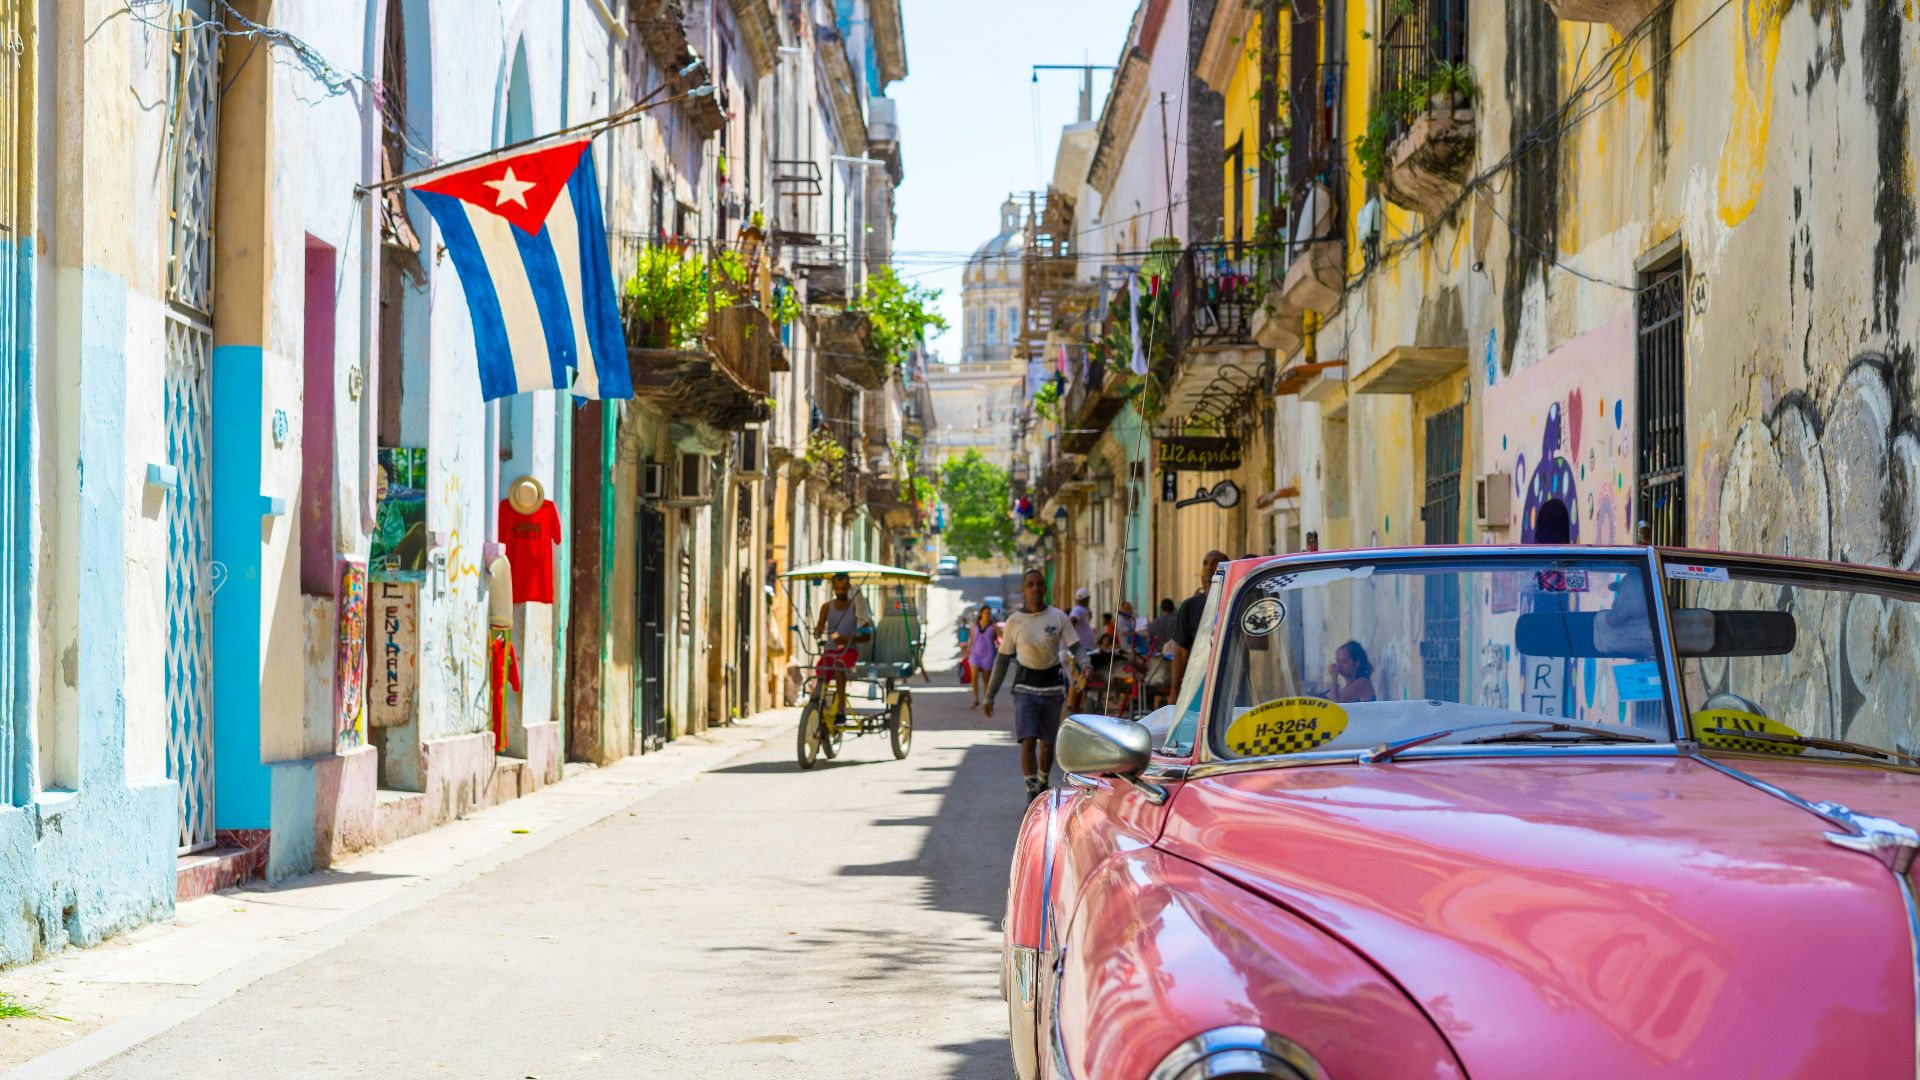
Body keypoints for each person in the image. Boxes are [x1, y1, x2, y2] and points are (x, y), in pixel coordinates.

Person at [985, 569, 1087, 802]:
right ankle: (1031, 790)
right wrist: (990, 695)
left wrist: (1085, 664)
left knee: (1048, 745)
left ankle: (1042, 781)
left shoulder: (1058, 617)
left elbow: (1076, 646)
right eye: (1030, 584)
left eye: (1039, 584)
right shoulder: (1015, 621)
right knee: (1028, 739)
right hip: (1025, 689)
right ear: (1023, 590)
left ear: (1045, 588)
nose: (1035, 589)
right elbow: (1002, 659)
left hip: (1052, 688)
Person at [812, 572, 872, 727]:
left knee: (839, 666)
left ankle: (841, 710)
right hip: (831, 650)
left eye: (843, 588)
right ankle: (817, 705)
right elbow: (819, 626)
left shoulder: (856, 607)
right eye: (837, 588)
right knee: (821, 670)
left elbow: (867, 636)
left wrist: (847, 640)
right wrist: (817, 631)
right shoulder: (826, 607)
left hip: (849, 651)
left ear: (848, 588)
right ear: (833, 588)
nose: (840, 592)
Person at [1171, 551, 1229, 691]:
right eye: (1205, 563)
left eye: (1215, 563)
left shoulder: (1233, 602)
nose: (1209, 567)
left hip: (1230, 683)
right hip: (1199, 684)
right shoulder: (1189, 607)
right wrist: (1173, 692)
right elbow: (1181, 652)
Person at [967, 604, 1001, 708]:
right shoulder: (975, 625)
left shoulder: (993, 626)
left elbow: (1002, 636)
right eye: (986, 613)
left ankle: (986, 700)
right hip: (975, 654)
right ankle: (976, 699)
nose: (988, 615)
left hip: (988, 654)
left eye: (989, 613)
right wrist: (967, 653)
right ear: (981, 614)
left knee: (986, 679)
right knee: (974, 676)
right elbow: (971, 639)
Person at [1069, 587, 1097, 652]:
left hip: (1086, 646)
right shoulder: (1077, 610)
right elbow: (1072, 622)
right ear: (1088, 598)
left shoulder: (1084, 609)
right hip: (1082, 647)